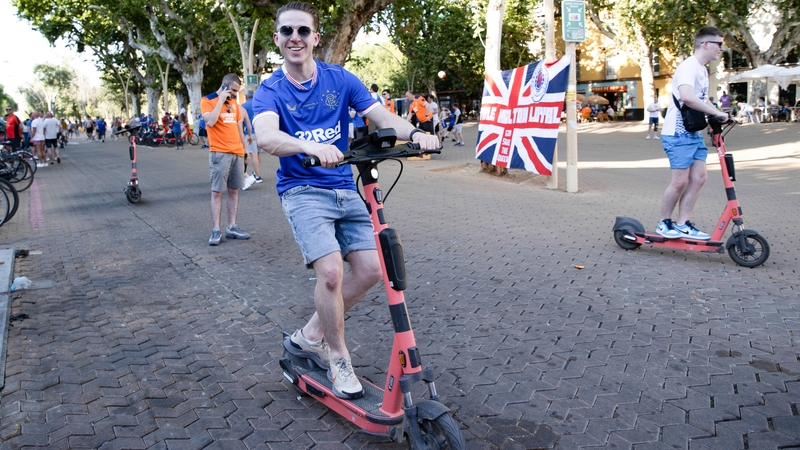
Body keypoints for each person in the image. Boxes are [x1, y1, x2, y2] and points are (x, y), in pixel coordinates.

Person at [252, 1, 439, 400]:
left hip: (343, 187)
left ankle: (309, 335)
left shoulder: (340, 80)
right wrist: (308, 147)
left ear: (316, 38)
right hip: (303, 190)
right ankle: (337, 357)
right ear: (277, 40)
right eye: (287, 32)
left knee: (372, 269)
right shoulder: (270, 90)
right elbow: (266, 137)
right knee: (332, 272)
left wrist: (416, 135)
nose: (295, 38)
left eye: (303, 31)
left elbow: (383, 118)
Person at [657, 26, 729, 241]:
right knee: (679, 181)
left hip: (693, 133)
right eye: (719, 44)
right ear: (705, 44)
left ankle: (682, 224)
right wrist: (715, 112)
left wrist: (719, 113)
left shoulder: (702, 69)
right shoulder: (688, 67)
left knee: (698, 178)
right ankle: (664, 223)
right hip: (677, 134)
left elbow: (702, 98)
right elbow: (688, 97)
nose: (721, 49)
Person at [201, 73, 251, 246]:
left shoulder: (235, 104)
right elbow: (210, 122)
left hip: (237, 152)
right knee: (217, 192)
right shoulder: (207, 101)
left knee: (234, 190)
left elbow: (239, 127)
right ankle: (216, 229)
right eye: (233, 90)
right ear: (224, 86)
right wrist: (221, 101)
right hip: (219, 153)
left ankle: (232, 226)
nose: (236, 95)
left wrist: (246, 151)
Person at [240, 89, 262, 186]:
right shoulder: (259, 103)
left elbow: (240, 121)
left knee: (251, 154)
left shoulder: (243, 106)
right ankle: (257, 172)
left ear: (246, 97)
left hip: (250, 133)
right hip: (260, 132)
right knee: (258, 154)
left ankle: (257, 176)